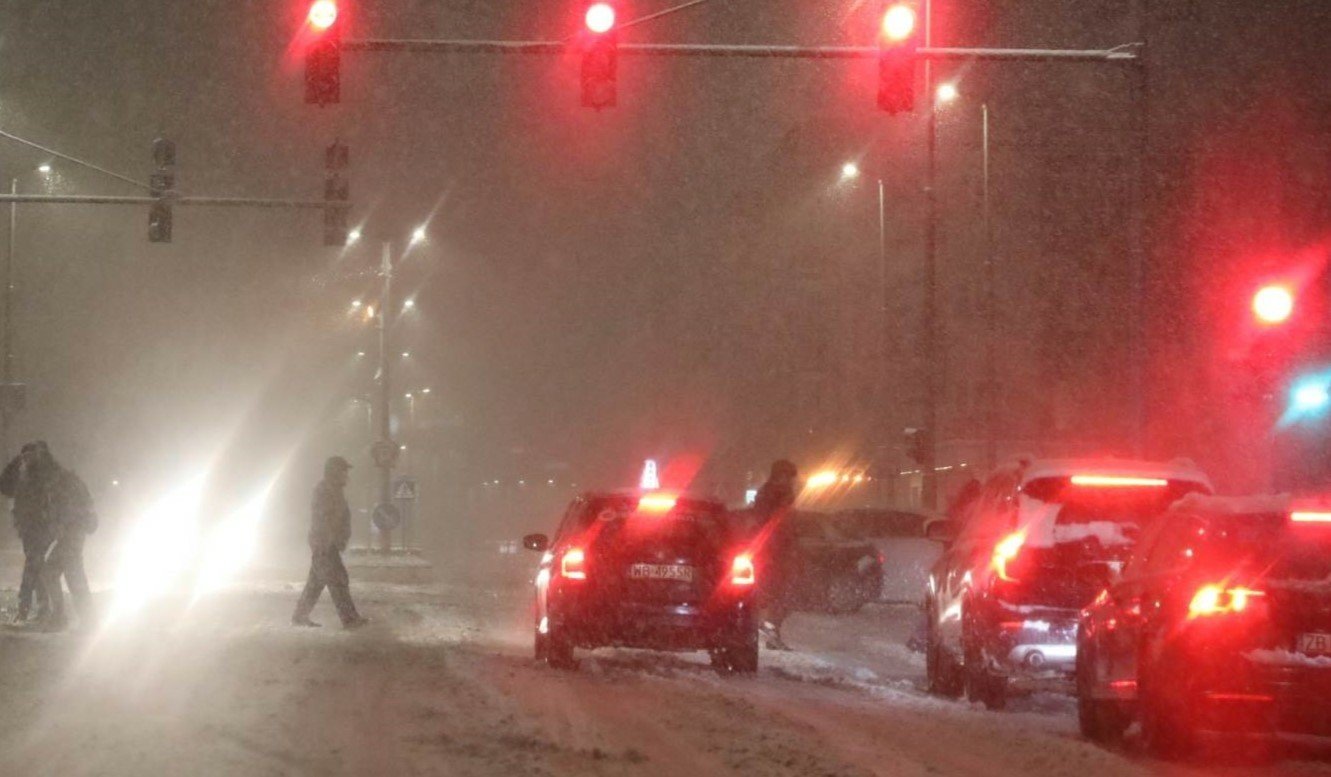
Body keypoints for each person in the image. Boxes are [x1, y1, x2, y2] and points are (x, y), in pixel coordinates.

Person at [292, 456, 368, 629]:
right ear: (334, 471)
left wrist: (340, 537)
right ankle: (350, 619)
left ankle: (299, 616)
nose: (346, 474)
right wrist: (327, 542)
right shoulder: (324, 490)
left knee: (316, 582)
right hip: (324, 543)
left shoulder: (334, 489)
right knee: (338, 580)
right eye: (343, 470)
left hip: (327, 543)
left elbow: (340, 517)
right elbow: (324, 519)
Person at [39, 449, 97, 632]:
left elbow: (69, 508)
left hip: (72, 532)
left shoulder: (62, 482)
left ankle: (80, 620)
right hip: (72, 533)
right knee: (57, 572)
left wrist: (60, 525)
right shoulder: (62, 480)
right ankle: (74, 619)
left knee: (70, 575)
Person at [0, 441, 56, 624]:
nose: (28, 459)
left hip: (41, 528)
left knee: (33, 567)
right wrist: (18, 460)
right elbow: (4, 485)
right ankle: (42, 608)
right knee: (36, 567)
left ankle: (26, 609)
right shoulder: (23, 473)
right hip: (28, 528)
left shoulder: (45, 475)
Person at [750, 459, 800, 650]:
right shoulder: (776, 494)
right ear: (781, 475)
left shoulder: (771, 493)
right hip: (774, 552)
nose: (790, 481)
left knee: (776, 593)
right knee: (778, 592)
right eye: (788, 477)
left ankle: (768, 629)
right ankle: (768, 629)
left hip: (775, 550)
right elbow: (775, 523)